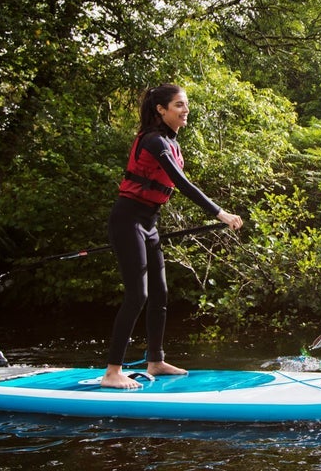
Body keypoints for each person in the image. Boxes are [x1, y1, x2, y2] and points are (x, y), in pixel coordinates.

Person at [102, 84, 244, 389]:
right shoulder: (154, 141)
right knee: (137, 295)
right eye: (179, 105)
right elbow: (182, 183)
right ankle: (112, 372)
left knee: (160, 294)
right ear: (161, 110)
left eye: (186, 104)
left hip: (149, 223)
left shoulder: (169, 140)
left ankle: (156, 360)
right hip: (127, 220)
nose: (185, 110)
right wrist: (220, 213)